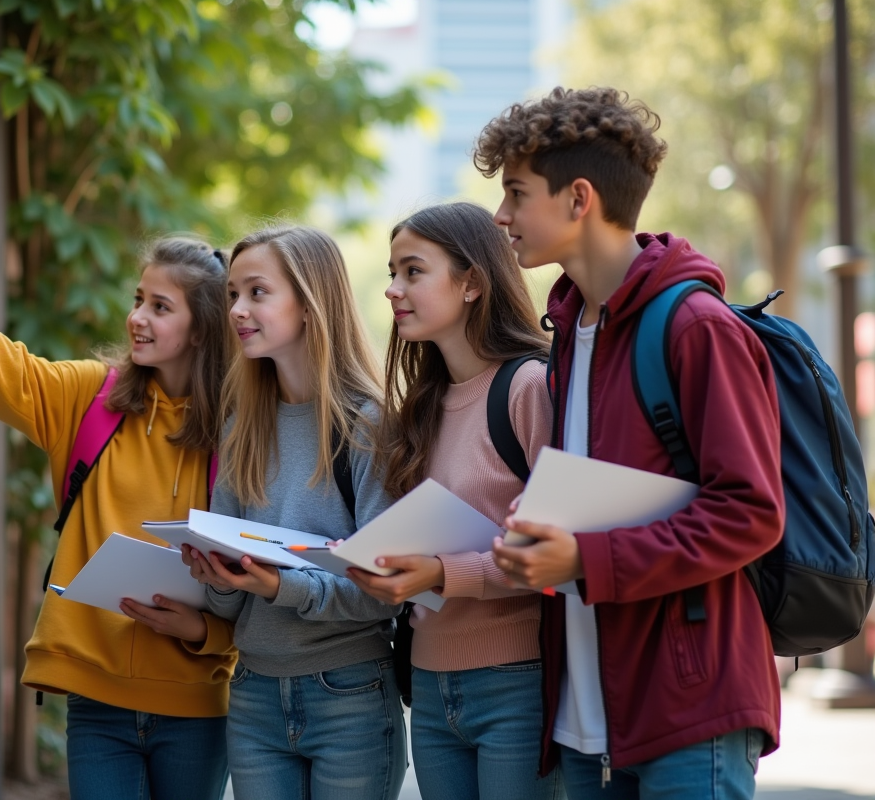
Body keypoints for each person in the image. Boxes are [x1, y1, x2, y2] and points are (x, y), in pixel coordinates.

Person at [482, 87, 784, 799]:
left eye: (516, 194)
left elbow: (751, 513)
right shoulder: (569, 333)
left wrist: (583, 557)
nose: (501, 216)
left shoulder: (697, 327)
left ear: (578, 198)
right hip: (586, 724)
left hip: (688, 711)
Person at [0, 237, 236, 800]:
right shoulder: (92, 399)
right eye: (138, 299)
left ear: (202, 329)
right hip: (95, 702)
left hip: (197, 710)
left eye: (160, 307)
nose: (137, 317)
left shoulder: (240, 435)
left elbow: (259, 568)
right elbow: (11, 371)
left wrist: (206, 634)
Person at [348, 202, 563, 800]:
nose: (393, 289)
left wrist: (442, 572)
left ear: (472, 283)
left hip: (518, 681)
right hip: (428, 683)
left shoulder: (528, 388)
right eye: (392, 272)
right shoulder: (420, 407)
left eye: (413, 271)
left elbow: (561, 554)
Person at [184, 225, 407, 800]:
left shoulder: (368, 425)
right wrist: (221, 578)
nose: (237, 309)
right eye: (233, 294)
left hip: (349, 694)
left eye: (257, 292)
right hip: (254, 694)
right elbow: (227, 603)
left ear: (310, 303)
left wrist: (281, 586)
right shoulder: (240, 428)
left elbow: (387, 590)